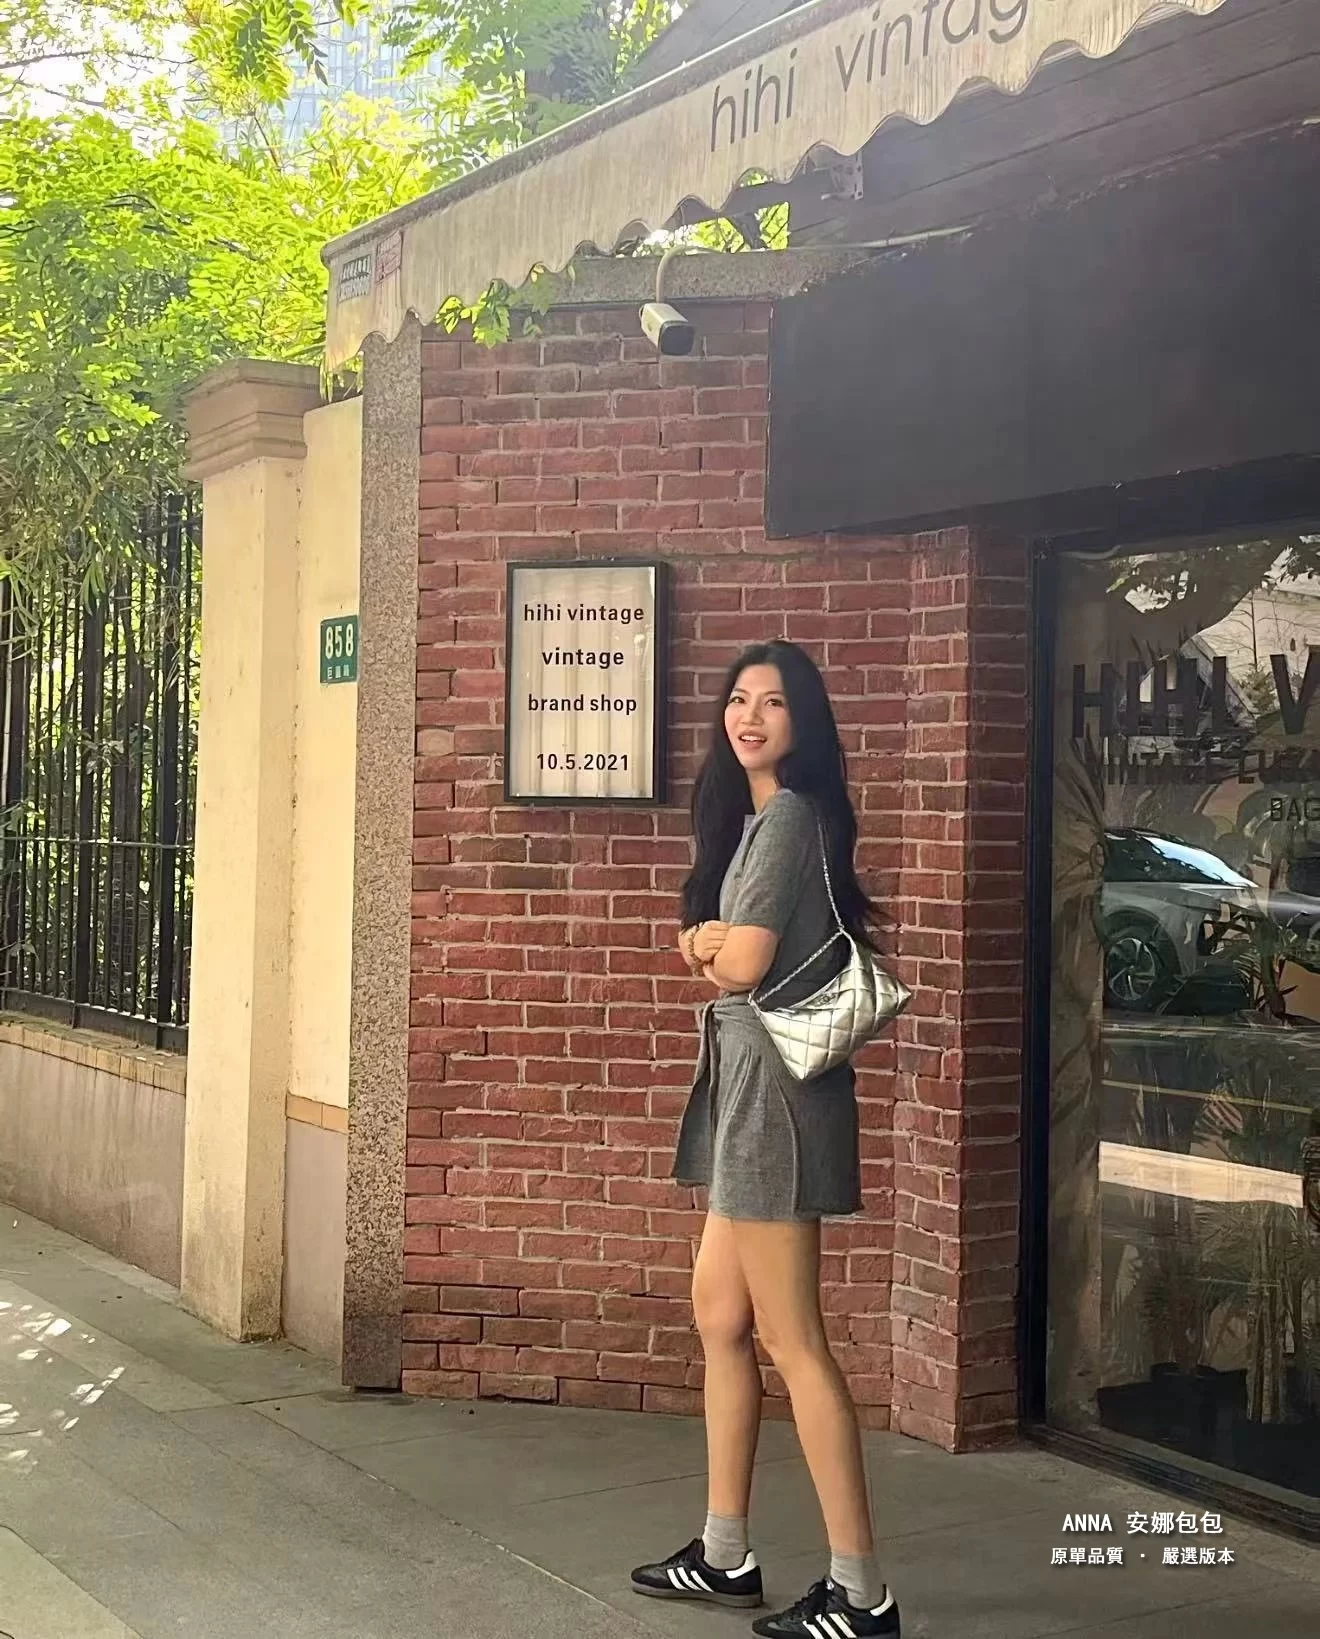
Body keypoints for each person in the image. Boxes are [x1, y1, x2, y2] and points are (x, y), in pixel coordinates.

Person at [629, 641, 900, 1639]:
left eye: (774, 702)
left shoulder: (790, 816)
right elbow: (720, 947)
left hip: (777, 1103)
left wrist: (704, 944)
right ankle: (724, 1551)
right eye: (739, 699)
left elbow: (739, 960)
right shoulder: (755, 820)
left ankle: (863, 1593)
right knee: (719, 1312)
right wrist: (707, 942)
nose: (749, 716)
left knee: (794, 1339)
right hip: (750, 1092)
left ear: (803, 721)